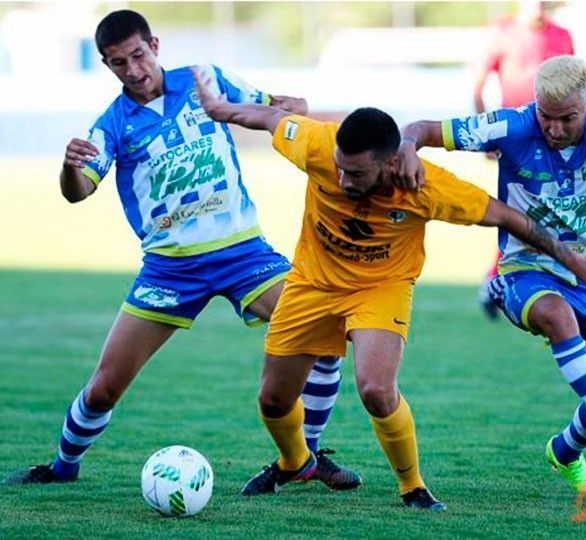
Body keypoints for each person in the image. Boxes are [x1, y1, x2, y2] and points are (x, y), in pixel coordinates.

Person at [191, 68, 586, 509]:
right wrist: (220, 109)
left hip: (381, 288)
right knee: (273, 399)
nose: (343, 181)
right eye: (339, 169)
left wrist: (572, 260)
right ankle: (296, 460)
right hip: (312, 282)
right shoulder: (317, 145)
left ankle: (412, 486)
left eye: (356, 174)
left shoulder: (424, 185)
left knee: (376, 390)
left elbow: (509, 217)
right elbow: (267, 118)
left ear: (389, 162)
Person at [4, 9, 360, 490]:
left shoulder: (205, 79)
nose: (132, 70)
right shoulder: (111, 125)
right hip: (169, 271)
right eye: (117, 63)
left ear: (154, 44)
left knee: (325, 333)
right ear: (107, 66)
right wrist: (69, 168)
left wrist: (292, 107)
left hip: (244, 255)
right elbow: (78, 191)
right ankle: (63, 468)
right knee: (108, 383)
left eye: (137, 55)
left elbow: (269, 110)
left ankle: (306, 456)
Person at [398, 55, 586, 492]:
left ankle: (564, 453)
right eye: (546, 117)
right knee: (555, 315)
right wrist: (407, 149)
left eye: (566, 119)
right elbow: (420, 129)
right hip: (526, 267)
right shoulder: (512, 126)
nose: (553, 129)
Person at [474, 1, 575, 318]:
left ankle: (502, 278)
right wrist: (489, 135)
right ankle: (499, 278)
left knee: (548, 209)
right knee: (520, 208)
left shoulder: (562, 35)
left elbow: (575, 87)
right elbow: (478, 86)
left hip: (555, 137)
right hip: (518, 137)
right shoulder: (501, 31)